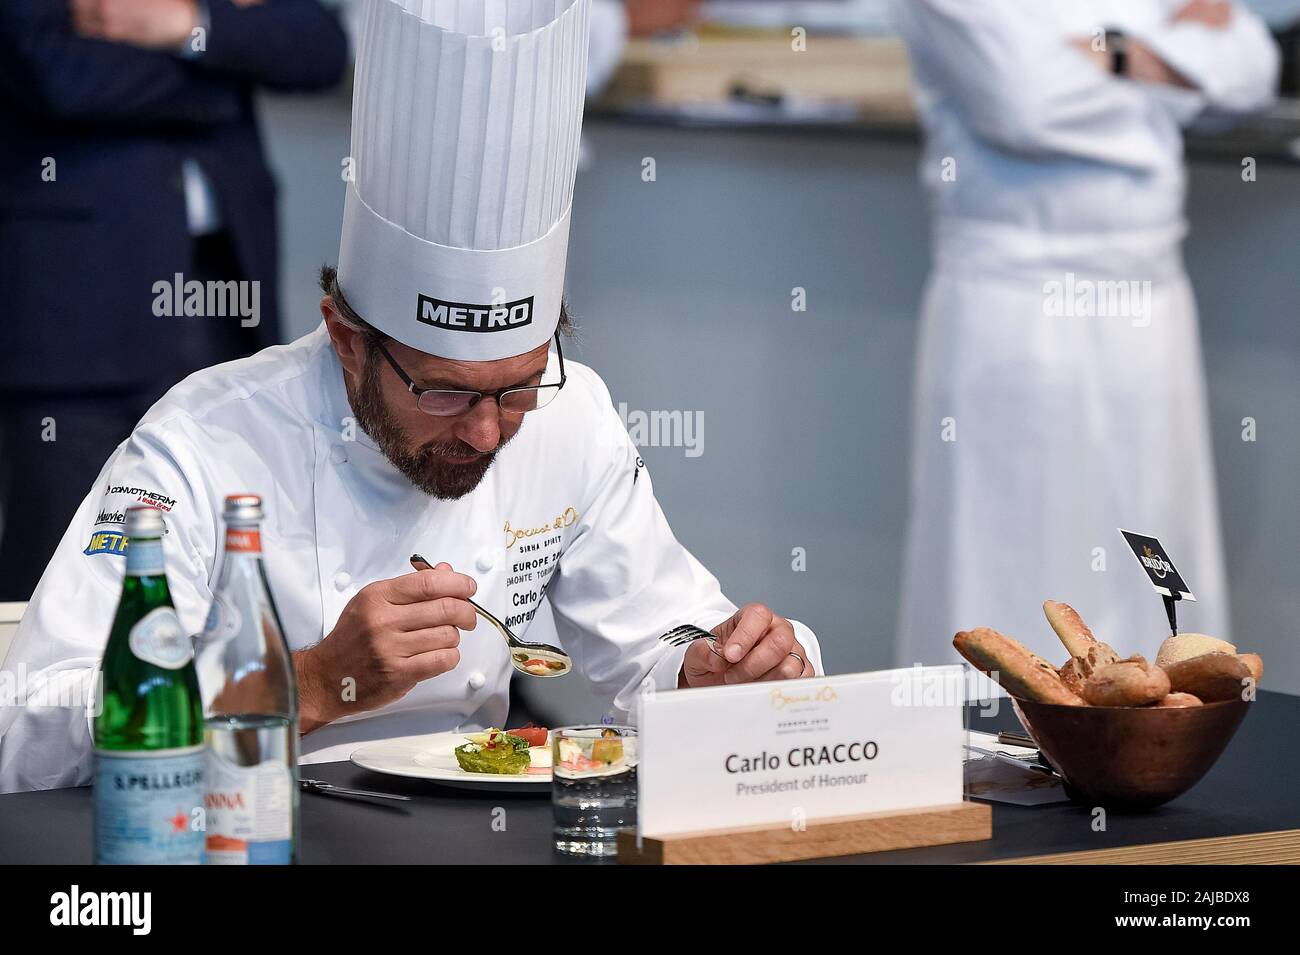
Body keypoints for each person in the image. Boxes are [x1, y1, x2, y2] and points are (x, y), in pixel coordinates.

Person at [0, 0, 820, 794]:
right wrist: (312, 682)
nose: (491, 430)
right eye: (445, 392)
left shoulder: (572, 417)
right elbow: (29, 728)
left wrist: (716, 671)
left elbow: (658, 638)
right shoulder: (201, 442)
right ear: (348, 341)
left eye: (519, 386)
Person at [892, 0, 1278, 666]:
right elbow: (1026, 102)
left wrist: (1109, 54)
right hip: (1016, 307)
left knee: (1156, 565)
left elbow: (1252, 65)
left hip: (1150, 303)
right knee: (1012, 573)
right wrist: (1172, 69)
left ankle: (1161, 747)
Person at [0, 0, 348, 601]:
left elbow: (320, 47)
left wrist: (190, 26)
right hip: (77, 310)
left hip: (221, 292)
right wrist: (224, 70)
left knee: (224, 563)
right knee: (62, 573)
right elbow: (54, 74)